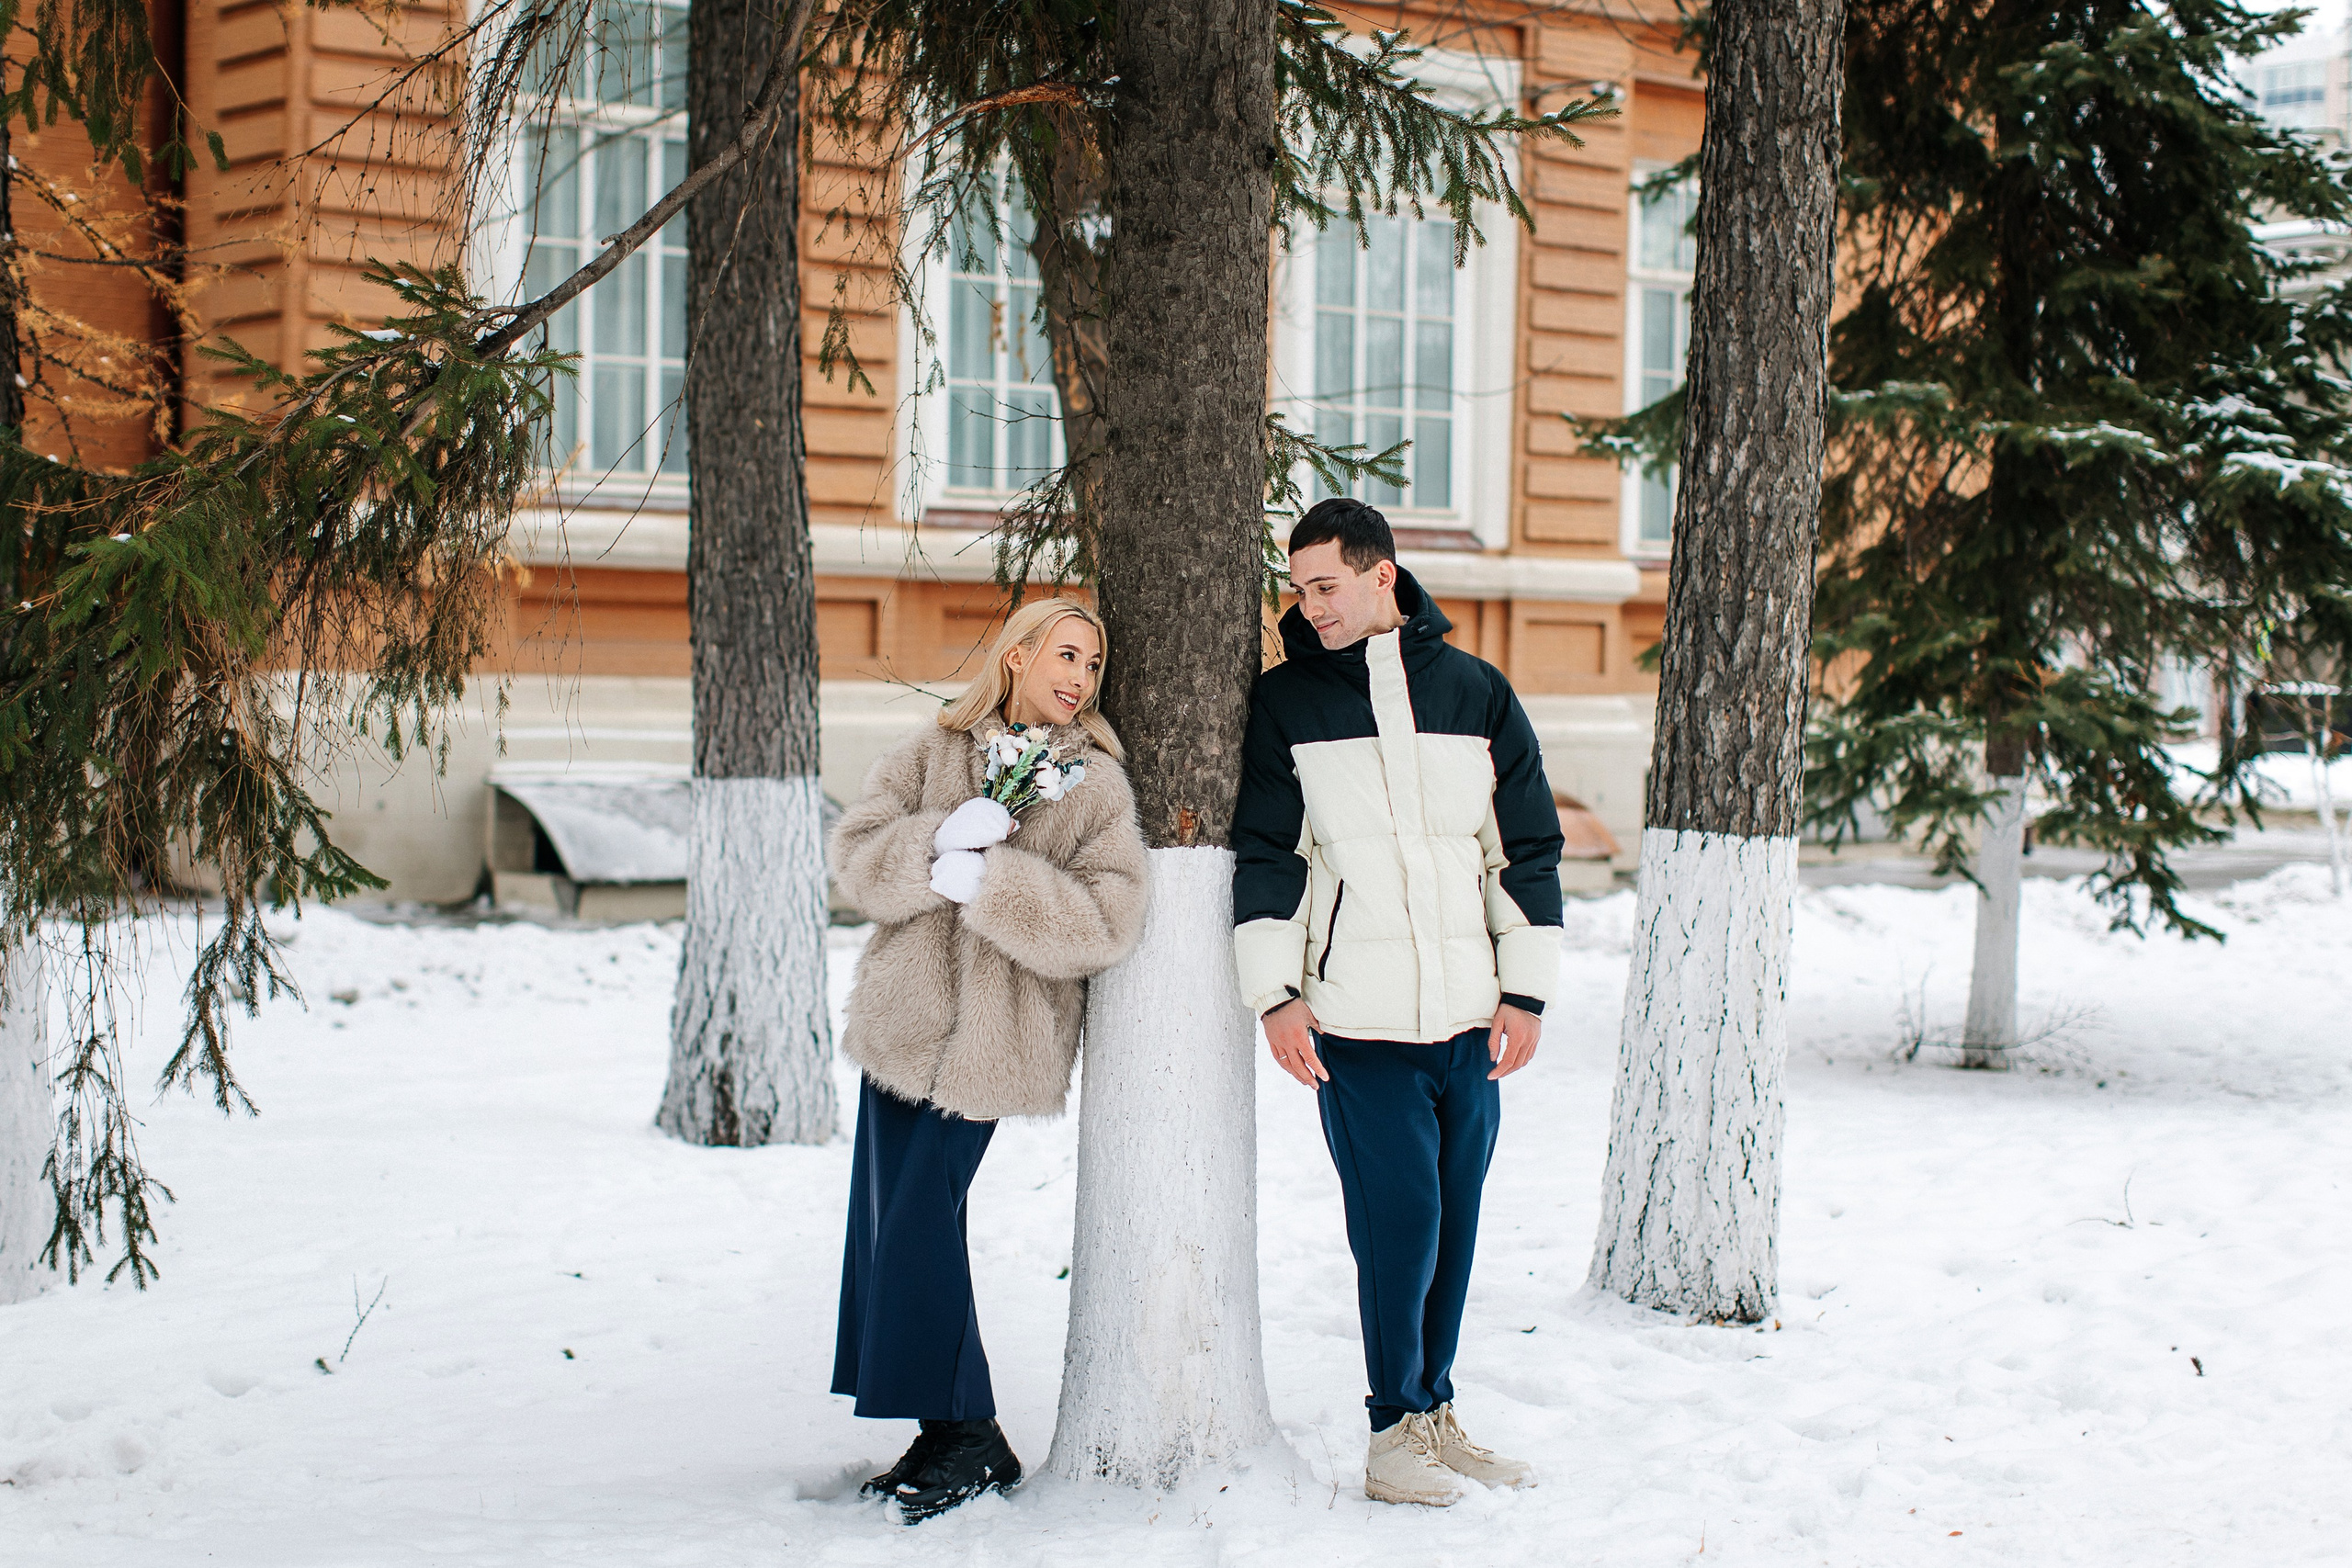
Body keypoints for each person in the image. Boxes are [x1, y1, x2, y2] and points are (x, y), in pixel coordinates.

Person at [1231, 496, 1566, 1507]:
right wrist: (1275, 996)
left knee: (1454, 1223)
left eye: (1325, 586)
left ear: (1383, 576)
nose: (1310, 607)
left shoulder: (1476, 691)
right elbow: (1270, 856)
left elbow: (1522, 849)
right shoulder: (1287, 705)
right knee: (1401, 1223)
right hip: (1358, 1025)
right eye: (1298, 591)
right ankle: (1389, 1435)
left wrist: (1526, 991)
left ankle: (1431, 1411)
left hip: (1468, 1020)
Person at [827, 597, 1148, 1524]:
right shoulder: (931, 751)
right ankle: (943, 1429)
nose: (1080, 678)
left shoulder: (1093, 785)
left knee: (923, 1219)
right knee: (889, 1227)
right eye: (1066, 655)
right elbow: (852, 854)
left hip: (993, 1041)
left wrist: (995, 883)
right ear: (1014, 656)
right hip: (903, 1026)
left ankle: (969, 1435)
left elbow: (1107, 918)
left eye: (1092, 664)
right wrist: (932, 842)